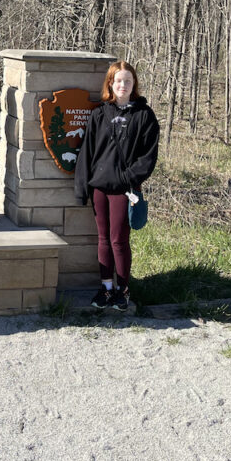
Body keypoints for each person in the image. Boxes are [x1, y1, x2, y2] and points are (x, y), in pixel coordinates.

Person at [73, 61, 160, 312]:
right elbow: (86, 154)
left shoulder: (145, 116)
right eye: (118, 80)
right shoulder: (100, 114)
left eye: (128, 81)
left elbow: (148, 157)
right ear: (110, 83)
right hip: (99, 187)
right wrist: (82, 189)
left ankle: (123, 290)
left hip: (124, 189)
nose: (123, 85)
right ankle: (106, 288)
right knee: (102, 239)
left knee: (119, 240)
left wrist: (127, 179)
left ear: (134, 85)